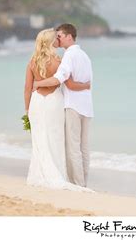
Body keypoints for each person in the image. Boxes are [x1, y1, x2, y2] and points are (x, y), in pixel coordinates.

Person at [24, 28, 92, 192]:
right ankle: (59, 174)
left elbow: (27, 89)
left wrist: (27, 109)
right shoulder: (59, 61)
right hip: (54, 102)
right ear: (50, 42)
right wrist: (86, 85)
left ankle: (39, 173)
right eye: (56, 38)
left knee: (39, 139)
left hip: (37, 103)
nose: (58, 41)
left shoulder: (32, 61)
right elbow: (66, 83)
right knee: (56, 139)